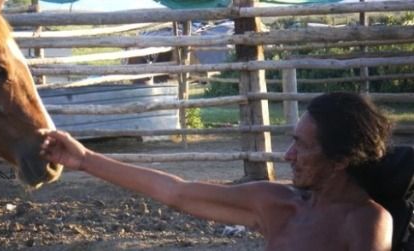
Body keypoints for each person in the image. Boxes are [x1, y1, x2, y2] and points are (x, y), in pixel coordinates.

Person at [39, 92, 393, 251]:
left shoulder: (367, 222)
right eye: (292, 142)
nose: (288, 156)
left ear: (341, 159)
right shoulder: (276, 204)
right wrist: (84, 159)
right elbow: (176, 192)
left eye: (303, 146)